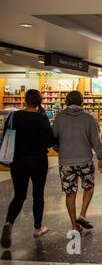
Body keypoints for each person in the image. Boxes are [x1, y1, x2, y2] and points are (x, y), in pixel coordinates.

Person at [1, 90, 56, 249]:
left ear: (25, 100)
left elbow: (6, 136)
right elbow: (48, 141)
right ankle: (37, 228)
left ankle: (9, 223)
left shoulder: (13, 116)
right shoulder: (41, 118)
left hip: (18, 161)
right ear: (39, 101)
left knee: (19, 195)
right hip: (38, 160)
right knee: (38, 194)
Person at [52, 91, 102, 232]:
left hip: (65, 162)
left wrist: (60, 149)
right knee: (89, 186)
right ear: (82, 102)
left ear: (67, 101)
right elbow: (96, 140)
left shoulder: (59, 118)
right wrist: (101, 158)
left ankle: (73, 225)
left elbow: (53, 140)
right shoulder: (89, 118)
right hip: (85, 160)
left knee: (70, 192)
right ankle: (82, 214)